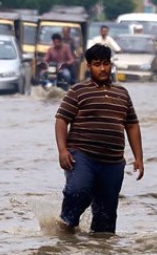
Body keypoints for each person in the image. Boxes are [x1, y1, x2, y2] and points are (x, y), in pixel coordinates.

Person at [55, 43, 144, 234]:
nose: (102, 69)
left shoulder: (122, 94)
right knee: (79, 191)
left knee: (106, 217)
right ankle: (64, 231)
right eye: (97, 64)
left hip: (113, 163)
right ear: (88, 66)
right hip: (82, 157)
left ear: (111, 64)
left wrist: (139, 158)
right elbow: (61, 120)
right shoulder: (78, 91)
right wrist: (62, 150)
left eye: (106, 64)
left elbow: (132, 125)